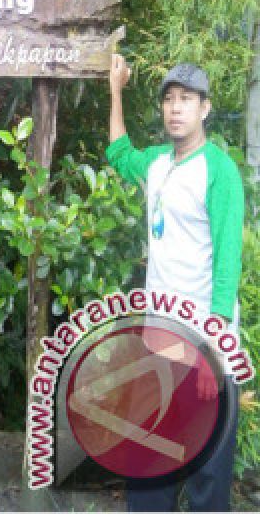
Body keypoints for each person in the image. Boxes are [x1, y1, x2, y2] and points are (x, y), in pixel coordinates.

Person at [107, 54, 244, 512]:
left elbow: (228, 264)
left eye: (186, 99)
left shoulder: (219, 171)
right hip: (159, 342)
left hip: (205, 347)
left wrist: (213, 349)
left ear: (204, 109)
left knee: (207, 478)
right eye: (169, 100)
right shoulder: (157, 164)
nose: (175, 108)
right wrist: (115, 89)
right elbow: (119, 153)